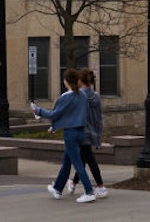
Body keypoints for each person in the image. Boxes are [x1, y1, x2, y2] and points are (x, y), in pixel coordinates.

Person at [31, 68, 97, 203]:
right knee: (67, 161)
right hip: (80, 132)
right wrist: (54, 126)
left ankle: (89, 192)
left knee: (77, 163)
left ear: (66, 81)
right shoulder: (83, 96)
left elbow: (54, 114)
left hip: (70, 133)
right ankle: (57, 188)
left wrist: (37, 110)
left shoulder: (66, 97)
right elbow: (73, 115)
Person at [65, 68, 108, 198]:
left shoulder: (79, 96)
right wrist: (99, 137)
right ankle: (73, 183)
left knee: (87, 159)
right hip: (92, 133)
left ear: (79, 81)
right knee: (83, 159)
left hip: (81, 131)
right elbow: (99, 119)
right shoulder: (96, 96)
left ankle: (100, 186)